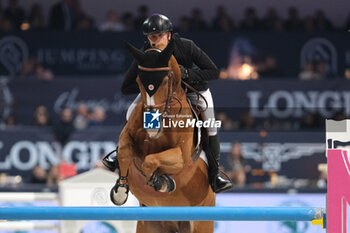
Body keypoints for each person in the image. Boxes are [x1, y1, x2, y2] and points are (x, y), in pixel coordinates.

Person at [103, 13, 233, 193]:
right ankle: (120, 154)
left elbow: (213, 71)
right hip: (159, 97)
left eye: (158, 36)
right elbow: (127, 87)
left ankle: (215, 174)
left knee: (210, 126)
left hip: (193, 91)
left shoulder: (185, 46)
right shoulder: (146, 53)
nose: (154, 41)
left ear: (169, 35)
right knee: (131, 111)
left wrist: (186, 74)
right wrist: (149, 85)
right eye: (151, 37)